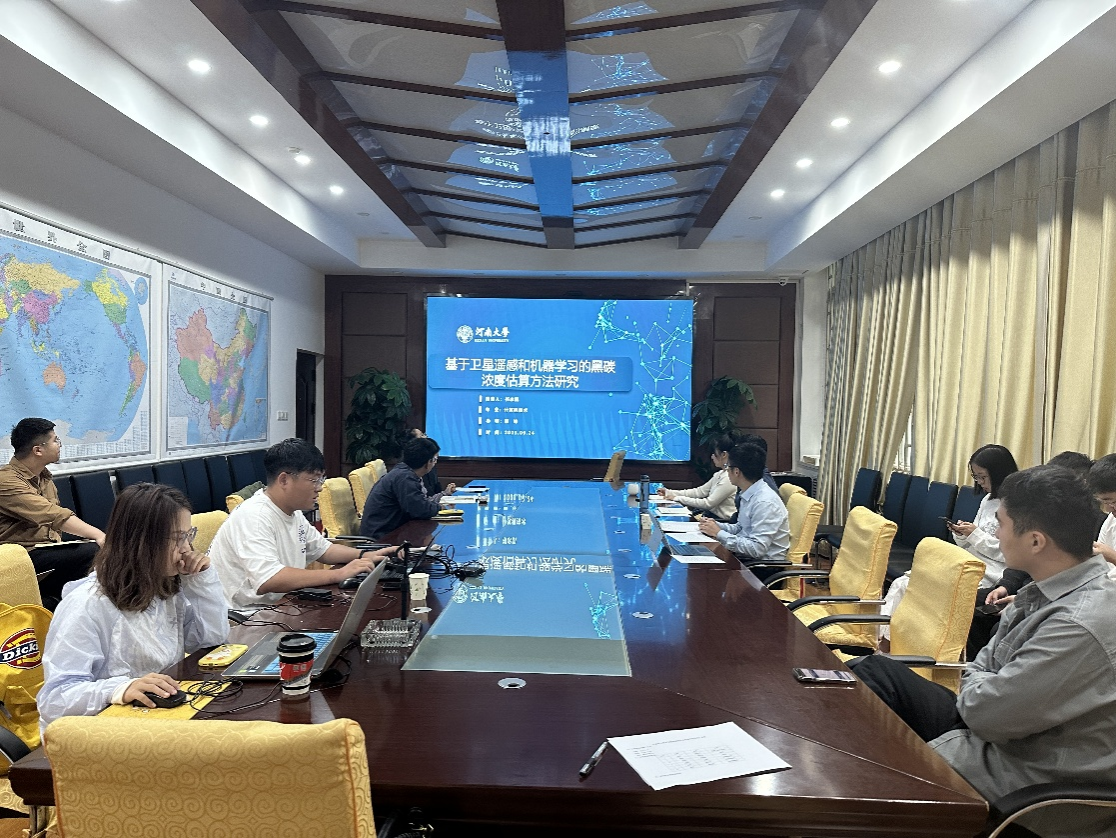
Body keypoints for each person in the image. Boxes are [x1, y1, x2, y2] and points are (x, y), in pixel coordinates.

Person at [850, 465, 1116, 837]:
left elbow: (983, 712)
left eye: (1002, 525)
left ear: (1035, 541)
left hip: (1023, 775)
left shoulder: (1079, 623)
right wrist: (984, 680)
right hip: (1002, 732)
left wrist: (981, 681)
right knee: (875, 672)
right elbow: (983, 665)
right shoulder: (1048, 589)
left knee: (871, 776)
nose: (996, 534)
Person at [37, 483, 228, 730]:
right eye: (177, 538)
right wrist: (120, 688)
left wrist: (201, 581)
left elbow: (210, 641)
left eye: (188, 535)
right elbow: (55, 700)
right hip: (96, 734)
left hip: (150, 716)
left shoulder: (163, 586)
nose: (186, 549)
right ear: (141, 541)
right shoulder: (86, 605)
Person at [208, 438, 394, 608]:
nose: (320, 487)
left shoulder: (292, 511)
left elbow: (323, 550)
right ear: (284, 480)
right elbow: (269, 579)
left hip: (281, 605)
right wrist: (338, 574)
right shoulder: (254, 516)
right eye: (314, 480)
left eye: (321, 479)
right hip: (245, 617)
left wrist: (365, 555)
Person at [0, 418, 106, 609]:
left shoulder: (44, 477)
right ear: (38, 450)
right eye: (55, 440)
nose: (59, 445)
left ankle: (58, 603)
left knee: (93, 562)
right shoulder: (5, 481)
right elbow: (52, 515)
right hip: (21, 557)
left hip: (47, 550)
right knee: (93, 551)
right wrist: (99, 535)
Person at [697, 443, 790, 574]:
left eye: (727, 467)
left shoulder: (764, 502)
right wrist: (716, 526)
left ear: (736, 472)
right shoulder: (749, 492)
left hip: (761, 568)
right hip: (746, 559)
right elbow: (741, 528)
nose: (726, 471)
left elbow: (757, 549)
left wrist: (719, 533)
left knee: (704, 573)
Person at [360, 437, 442, 540]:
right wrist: (439, 507)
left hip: (391, 531)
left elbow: (419, 505)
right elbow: (420, 510)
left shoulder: (403, 472)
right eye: (434, 460)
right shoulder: (404, 478)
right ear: (428, 462)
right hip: (382, 538)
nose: (434, 463)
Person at [657, 434, 737, 520]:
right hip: (711, 518)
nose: (712, 457)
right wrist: (669, 492)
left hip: (721, 521)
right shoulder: (719, 474)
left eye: (714, 453)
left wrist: (677, 498)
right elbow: (699, 492)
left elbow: (708, 503)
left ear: (724, 454)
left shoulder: (728, 477)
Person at [1087, 454, 1116, 578]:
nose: (1108, 509)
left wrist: (1113, 557)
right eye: (1105, 502)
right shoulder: (1111, 520)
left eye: (1113, 502)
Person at [408, 428, 456, 500]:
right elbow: (421, 504)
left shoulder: (421, 474)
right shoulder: (407, 477)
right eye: (422, 435)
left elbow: (427, 500)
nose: (426, 437)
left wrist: (445, 493)